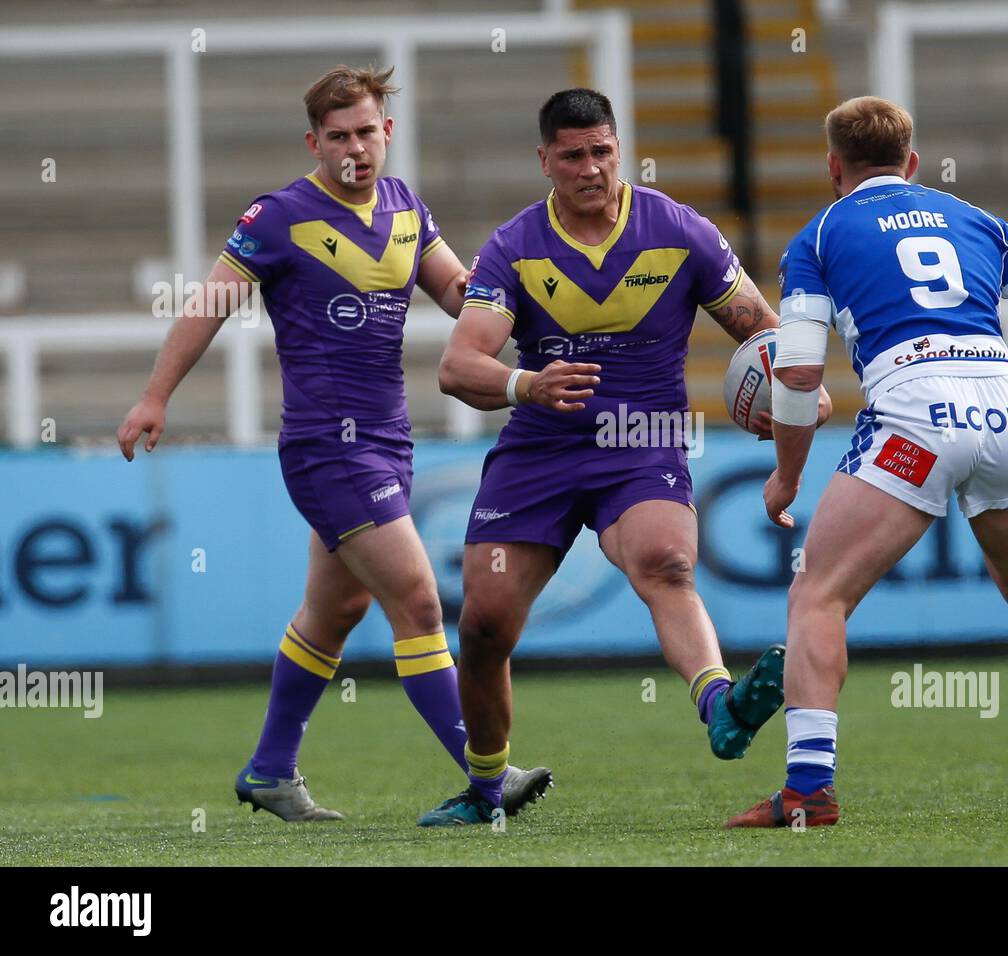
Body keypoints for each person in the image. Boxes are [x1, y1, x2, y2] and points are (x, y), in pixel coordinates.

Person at [116, 65, 552, 823]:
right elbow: (208, 306)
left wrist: (521, 310)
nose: (357, 148)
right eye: (339, 136)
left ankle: (270, 771)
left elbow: (459, 293)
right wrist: (155, 396)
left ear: (388, 131)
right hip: (327, 448)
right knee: (417, 601)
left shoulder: (406, 206)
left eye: (368, 132)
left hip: (389, 442)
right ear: (314, 143)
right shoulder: (279, 216)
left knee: (335, 611)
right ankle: (491, 774)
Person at [726, 95, 1008, 828]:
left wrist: (788, 475)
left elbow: (795, 371)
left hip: (916, 408)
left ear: (834, 167)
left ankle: (808, 789)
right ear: (911, 162)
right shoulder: (978, 219)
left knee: (819, 597)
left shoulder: (820, 234)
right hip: (1004, 398)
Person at [420, 88, 831, 826]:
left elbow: (767, 337)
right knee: (483, 625)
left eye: (602, 151)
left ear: (619, 147)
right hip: (541, 446)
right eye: (572, 155)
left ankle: (719, 706)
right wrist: (528, 383)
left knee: (665, 562)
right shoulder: (514, 247)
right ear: (545, 160)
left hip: (640, 442)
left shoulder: (680, 230)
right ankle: (486, 789)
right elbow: (458, 366)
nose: (590, 168)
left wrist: (800, 394)